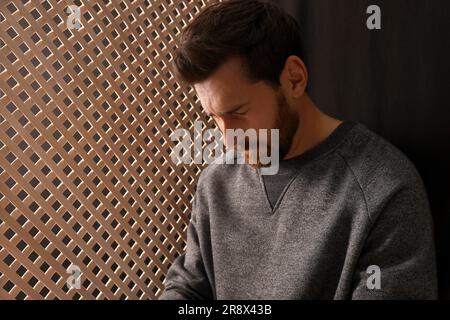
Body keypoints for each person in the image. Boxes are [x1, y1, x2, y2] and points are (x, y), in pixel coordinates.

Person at [159, 0, 437, 299]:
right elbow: (188, 287)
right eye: (213, 117)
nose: (228, 139)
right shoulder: (216, 183)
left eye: (238, 112)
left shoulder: (383, 189)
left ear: (294, 78)